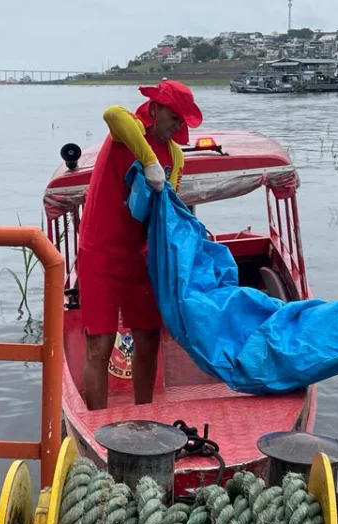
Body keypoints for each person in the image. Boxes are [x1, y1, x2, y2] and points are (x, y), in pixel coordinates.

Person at [77, 80, 202, 410]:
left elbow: (167, 213)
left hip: (142, 256)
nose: (176, 127)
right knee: (99, 345)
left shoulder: (175, 155)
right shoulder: (129, 128)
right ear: (156, 109)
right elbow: (111, 113)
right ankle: (98, 424)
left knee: (148, 337)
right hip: (99, 253)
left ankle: (145, 416)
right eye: (173, 118)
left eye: (181, 122)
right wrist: (147, 160)